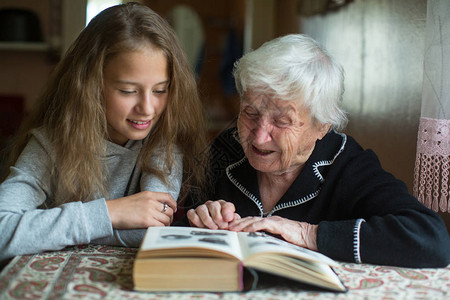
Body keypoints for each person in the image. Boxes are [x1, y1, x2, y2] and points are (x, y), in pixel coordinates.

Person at [187, 34, 450, 268]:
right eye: (250, 113)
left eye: (282, 121)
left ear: (321, 126)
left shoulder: (347, 165)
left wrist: (308, 234)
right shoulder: (226, 148)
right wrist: (199, 217)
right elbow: (173, 217)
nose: (259, 135)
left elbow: (431, 239)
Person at [0, 2, 207, 265]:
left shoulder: (163, 144)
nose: (147, 108)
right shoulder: (49, 144)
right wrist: (110, 213)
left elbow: (151, 232)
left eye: (159, 90)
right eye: (128, 91)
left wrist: (45, 230)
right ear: (90, 85)